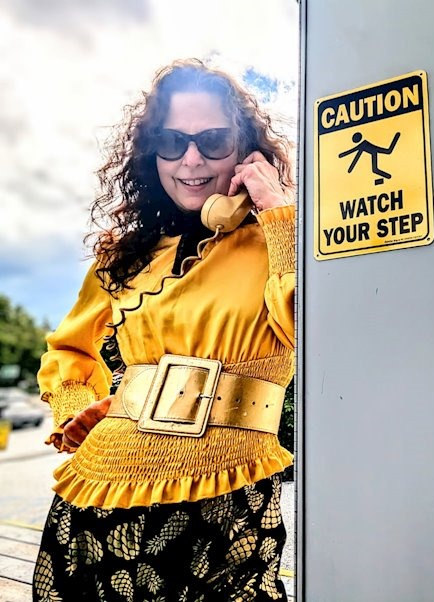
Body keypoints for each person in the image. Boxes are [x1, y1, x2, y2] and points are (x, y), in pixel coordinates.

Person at [32, 58, 296, 601]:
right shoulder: (122, 257)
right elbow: (67, 351)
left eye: (213, 141)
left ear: (245, 150)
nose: (191, 160)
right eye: (172, 142)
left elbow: (315, 328)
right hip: (101, 487)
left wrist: (278, 211)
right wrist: (76, 415)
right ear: (153, 153)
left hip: (225, 491)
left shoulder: (279, 238)